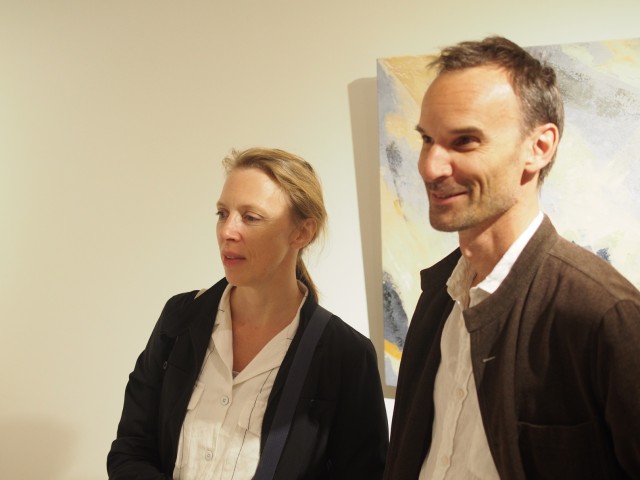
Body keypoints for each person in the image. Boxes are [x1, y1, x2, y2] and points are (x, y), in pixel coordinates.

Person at [384, 36, 640, 479]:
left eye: (465, 141)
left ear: (538, 148)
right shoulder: (437, 297)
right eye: (427, 139)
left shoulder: (602, 311)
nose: (429, 167)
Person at [108, 147, 388, 479]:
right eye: (222, 213)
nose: (227, 231)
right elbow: (131, 449)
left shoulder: (346, 355)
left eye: (250, 217)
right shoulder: (180, 319)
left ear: (302, 232)